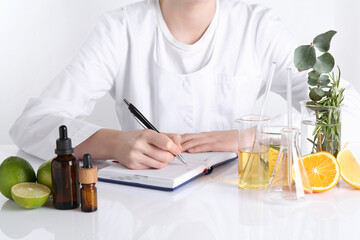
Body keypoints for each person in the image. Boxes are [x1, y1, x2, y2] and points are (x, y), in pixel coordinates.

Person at [9, 0, 360, 169]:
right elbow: (31, 124)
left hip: (241, 207)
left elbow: (346, 108)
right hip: (147, 213)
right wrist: (114, 143)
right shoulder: (120, 31)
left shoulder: (258, 27)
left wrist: (255, 136)